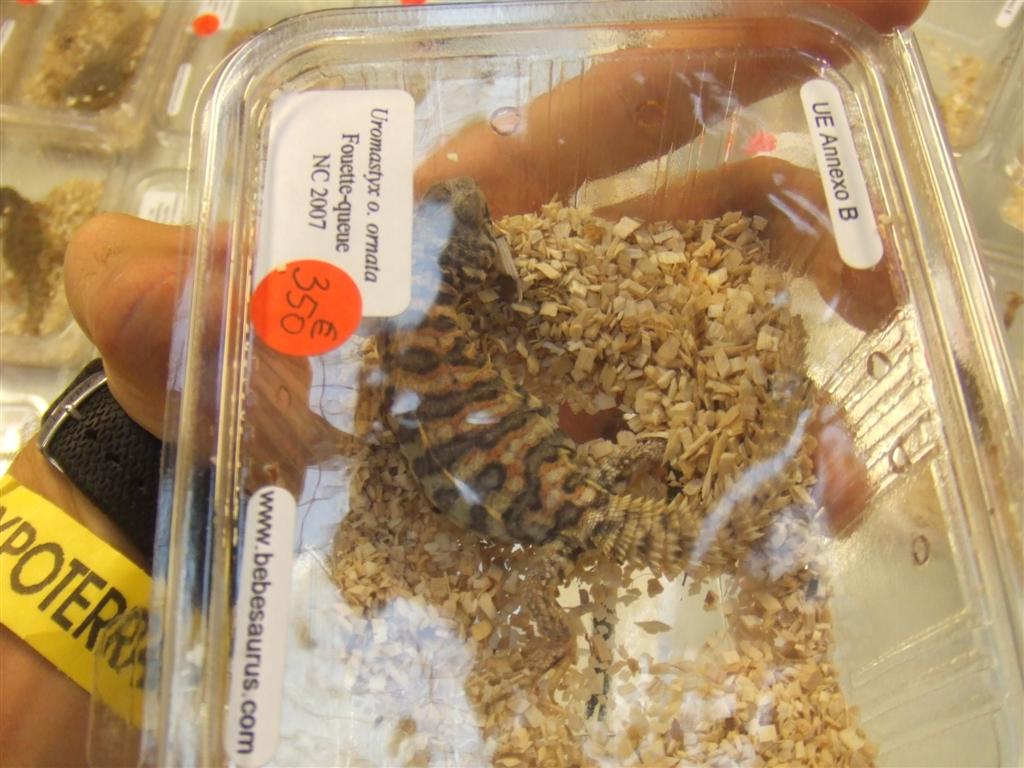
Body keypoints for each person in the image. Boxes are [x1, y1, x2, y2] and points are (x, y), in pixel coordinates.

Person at [0, 2, 927, 764]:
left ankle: (719, 530)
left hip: (517, 483)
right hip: (514, 484)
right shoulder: (415, 337)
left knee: (612, 509)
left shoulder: (411, 336)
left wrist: (113, 475)